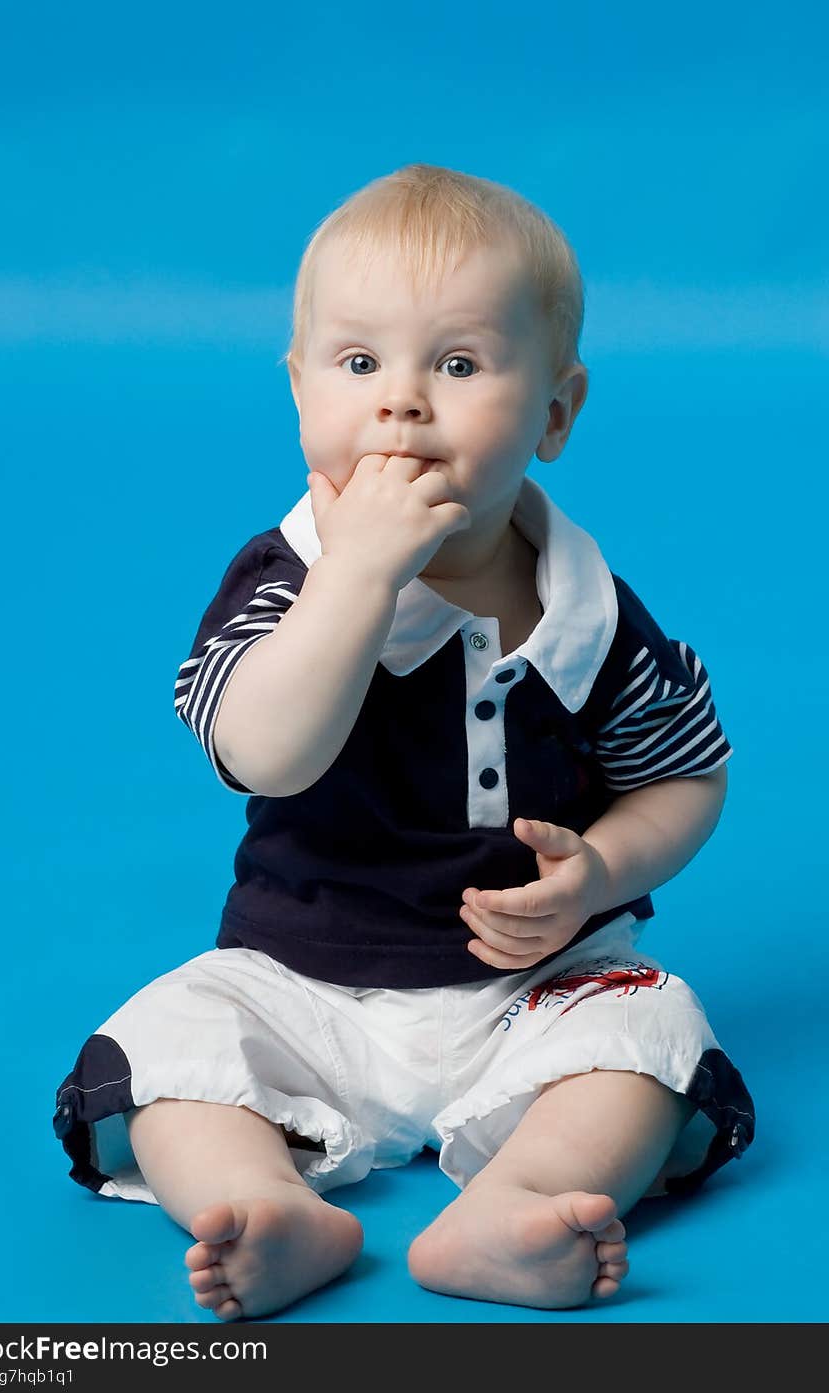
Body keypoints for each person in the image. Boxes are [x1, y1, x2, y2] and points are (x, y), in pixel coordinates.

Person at [54, 163, 754, 1320]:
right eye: (360, 363)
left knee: (652, 1028)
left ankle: (519, 1205)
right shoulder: (285, 581)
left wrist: (604, 873)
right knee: (169, 1044)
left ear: (556, 414)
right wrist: (361, 579)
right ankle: (261, 1203)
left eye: (461, 364)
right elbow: (261, 751)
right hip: (301, 979)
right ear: (299, 394)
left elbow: (685, 771)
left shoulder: (592, 610)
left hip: (531, 984)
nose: (402, 403)